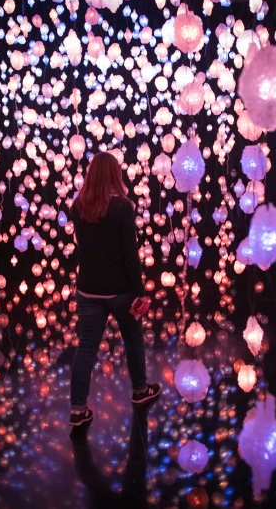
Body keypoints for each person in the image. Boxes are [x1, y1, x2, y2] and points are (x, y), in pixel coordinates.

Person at [68, 152, 161, 429]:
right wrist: (140, 292)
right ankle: (140, 391)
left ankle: (78, 409)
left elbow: (85, 250)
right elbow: (130, 256)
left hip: (88, 289)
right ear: (114, 175)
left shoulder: (78, 206)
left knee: (86, 347)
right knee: (133, 339)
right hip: (120, 291)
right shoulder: (122, 207)